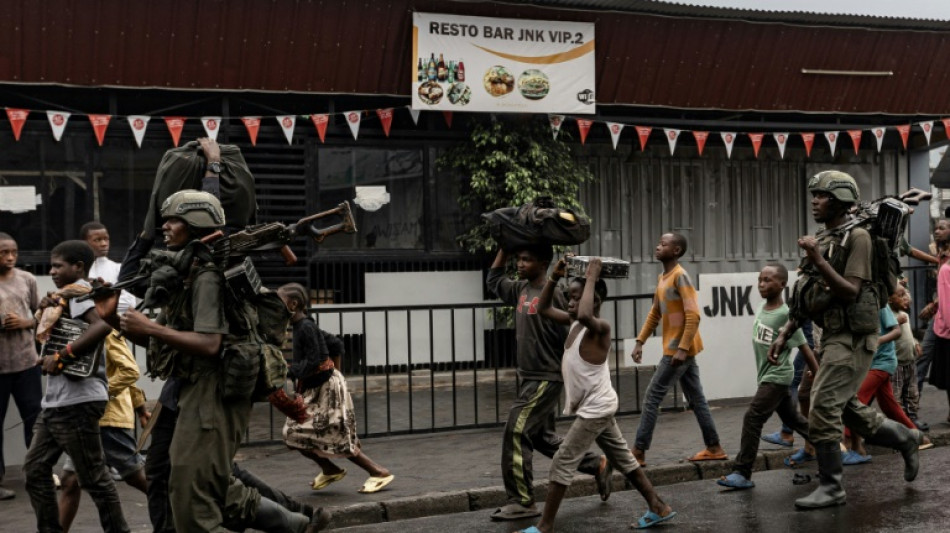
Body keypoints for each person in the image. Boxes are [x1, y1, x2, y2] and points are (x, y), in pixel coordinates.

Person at [117, 190, 328, 532]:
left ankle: (292, 522)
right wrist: (121, 321)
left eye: (172, 220)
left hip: (212, 389)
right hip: (191, 388)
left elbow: (209, 343)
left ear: (195, 223)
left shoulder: (208, 274)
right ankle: (293, 523)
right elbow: (167, 337)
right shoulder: (189, 270)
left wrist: (148, 327)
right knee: (194, 484)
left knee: (197, 500)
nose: (164, 227)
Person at [769, 171, 923, 509]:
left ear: (838, 201)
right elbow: (805, 294)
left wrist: (818, 258)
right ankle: (906, 438)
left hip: (855, 336)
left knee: (823, 405)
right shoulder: (825, 237)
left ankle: (832, 487)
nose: (814, 201)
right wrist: (784, 334)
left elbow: (851, 290)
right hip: (833, 334)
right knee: (848, 408)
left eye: (822, 195)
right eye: (814, 195)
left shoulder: (858, 239)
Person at [520, 256, 675, 533]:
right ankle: (658, 506)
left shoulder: (600, 328)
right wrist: (554, 276)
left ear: (594, 300)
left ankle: (544, 526)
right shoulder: (575, 322)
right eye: (568, 297)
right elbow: (542, 308)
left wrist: (592, 276)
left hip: (596, 409)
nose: (569, 303)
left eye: (575, 297)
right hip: (599, 406)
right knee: (624, 460)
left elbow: (583, 314)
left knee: (562, 460)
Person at [486, 247, 610, 521]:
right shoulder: (520, 288)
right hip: (529, 376)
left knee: (516, 431)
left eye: (526, 259)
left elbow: (578, 325)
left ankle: (521, 500)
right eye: (518, 259)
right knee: (540, 437)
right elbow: (493, 281)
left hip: (546, 376)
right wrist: (505, 248)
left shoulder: (557, 294)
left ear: (544, 263)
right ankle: (596, 464)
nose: (520, 264)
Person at [23, 240, 131, 533]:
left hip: (78, 402)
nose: (53, 270)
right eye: (52, 265)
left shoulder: (80, 294)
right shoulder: (61, 299)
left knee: (94, 479)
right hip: (57, 403)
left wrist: (62, 356)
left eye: (59, 265)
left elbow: (102, 326)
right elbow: (46, 342)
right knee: (35, 471)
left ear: (78, 267)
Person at [278, 282, 394, 494]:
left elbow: (317, 359)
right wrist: (336, 376)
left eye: (279, 301)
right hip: (320, 389)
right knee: (294, 436)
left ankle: (378, 472)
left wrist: (290, 371)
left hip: (326, 391)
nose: (275, 305)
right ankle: (329, 469)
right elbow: (336, 345)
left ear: (293, 304)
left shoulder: (306, 327)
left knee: (335, 437)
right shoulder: (303, 326)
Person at [717, 263, 818, 489]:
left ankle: (742, 472)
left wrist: (816, 373)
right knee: (794, 420)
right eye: (760, 279)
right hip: (767, 376)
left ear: (782, 285)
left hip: (777, 376)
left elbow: (804, 345)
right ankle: (831, 447)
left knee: (752, 417)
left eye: (768, 280)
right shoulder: (763, 307)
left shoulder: (785, 315)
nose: (762, 284)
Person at [630, 233, 726, 466]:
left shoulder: (680, 276)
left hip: (678, 350)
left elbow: (693, 314)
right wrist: (640, 341)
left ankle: (638, 451)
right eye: (658, 242)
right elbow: (655, 312)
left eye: (663, 244)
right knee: (697, 399)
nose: (657, 246)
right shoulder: (664, 277)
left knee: (652, 397)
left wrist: (682, 348)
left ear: (676, 251)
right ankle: (714, 447)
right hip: (679, 349)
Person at [842, 302, 934, 464]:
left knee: (856, 399)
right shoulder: (858, 306)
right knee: (889, 406)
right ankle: (918, 437)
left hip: (883, 363)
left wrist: (877, 341)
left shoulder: (881, 306)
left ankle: (849, 440)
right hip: (871, 362)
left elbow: (896, 331)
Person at [0, 232, 42, 501]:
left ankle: (39, 472)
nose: (10, 257)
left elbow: (43, 314)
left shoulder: (27, 279)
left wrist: (26, 323)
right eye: (4, 252)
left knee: (36, 420)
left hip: (27, 362)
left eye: (13, 251)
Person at [889, 285, 928, 439]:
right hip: (897, 363)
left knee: (912, 392)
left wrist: (916, 342)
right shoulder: (888, 314)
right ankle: (900, 421)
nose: (906, 297)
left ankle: (913, 418)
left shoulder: (904, 314)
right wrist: (894, 321)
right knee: (896, 394)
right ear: (890, 299)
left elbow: (908, 334)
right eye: (901, 295)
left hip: (910, 361)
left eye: (905, 294)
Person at [929, 218, 950, 426]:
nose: (937, 232)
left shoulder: (946, 266)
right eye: (935, 228)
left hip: (945, 325)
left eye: (942, 228)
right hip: (941, 321)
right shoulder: (940, 256)